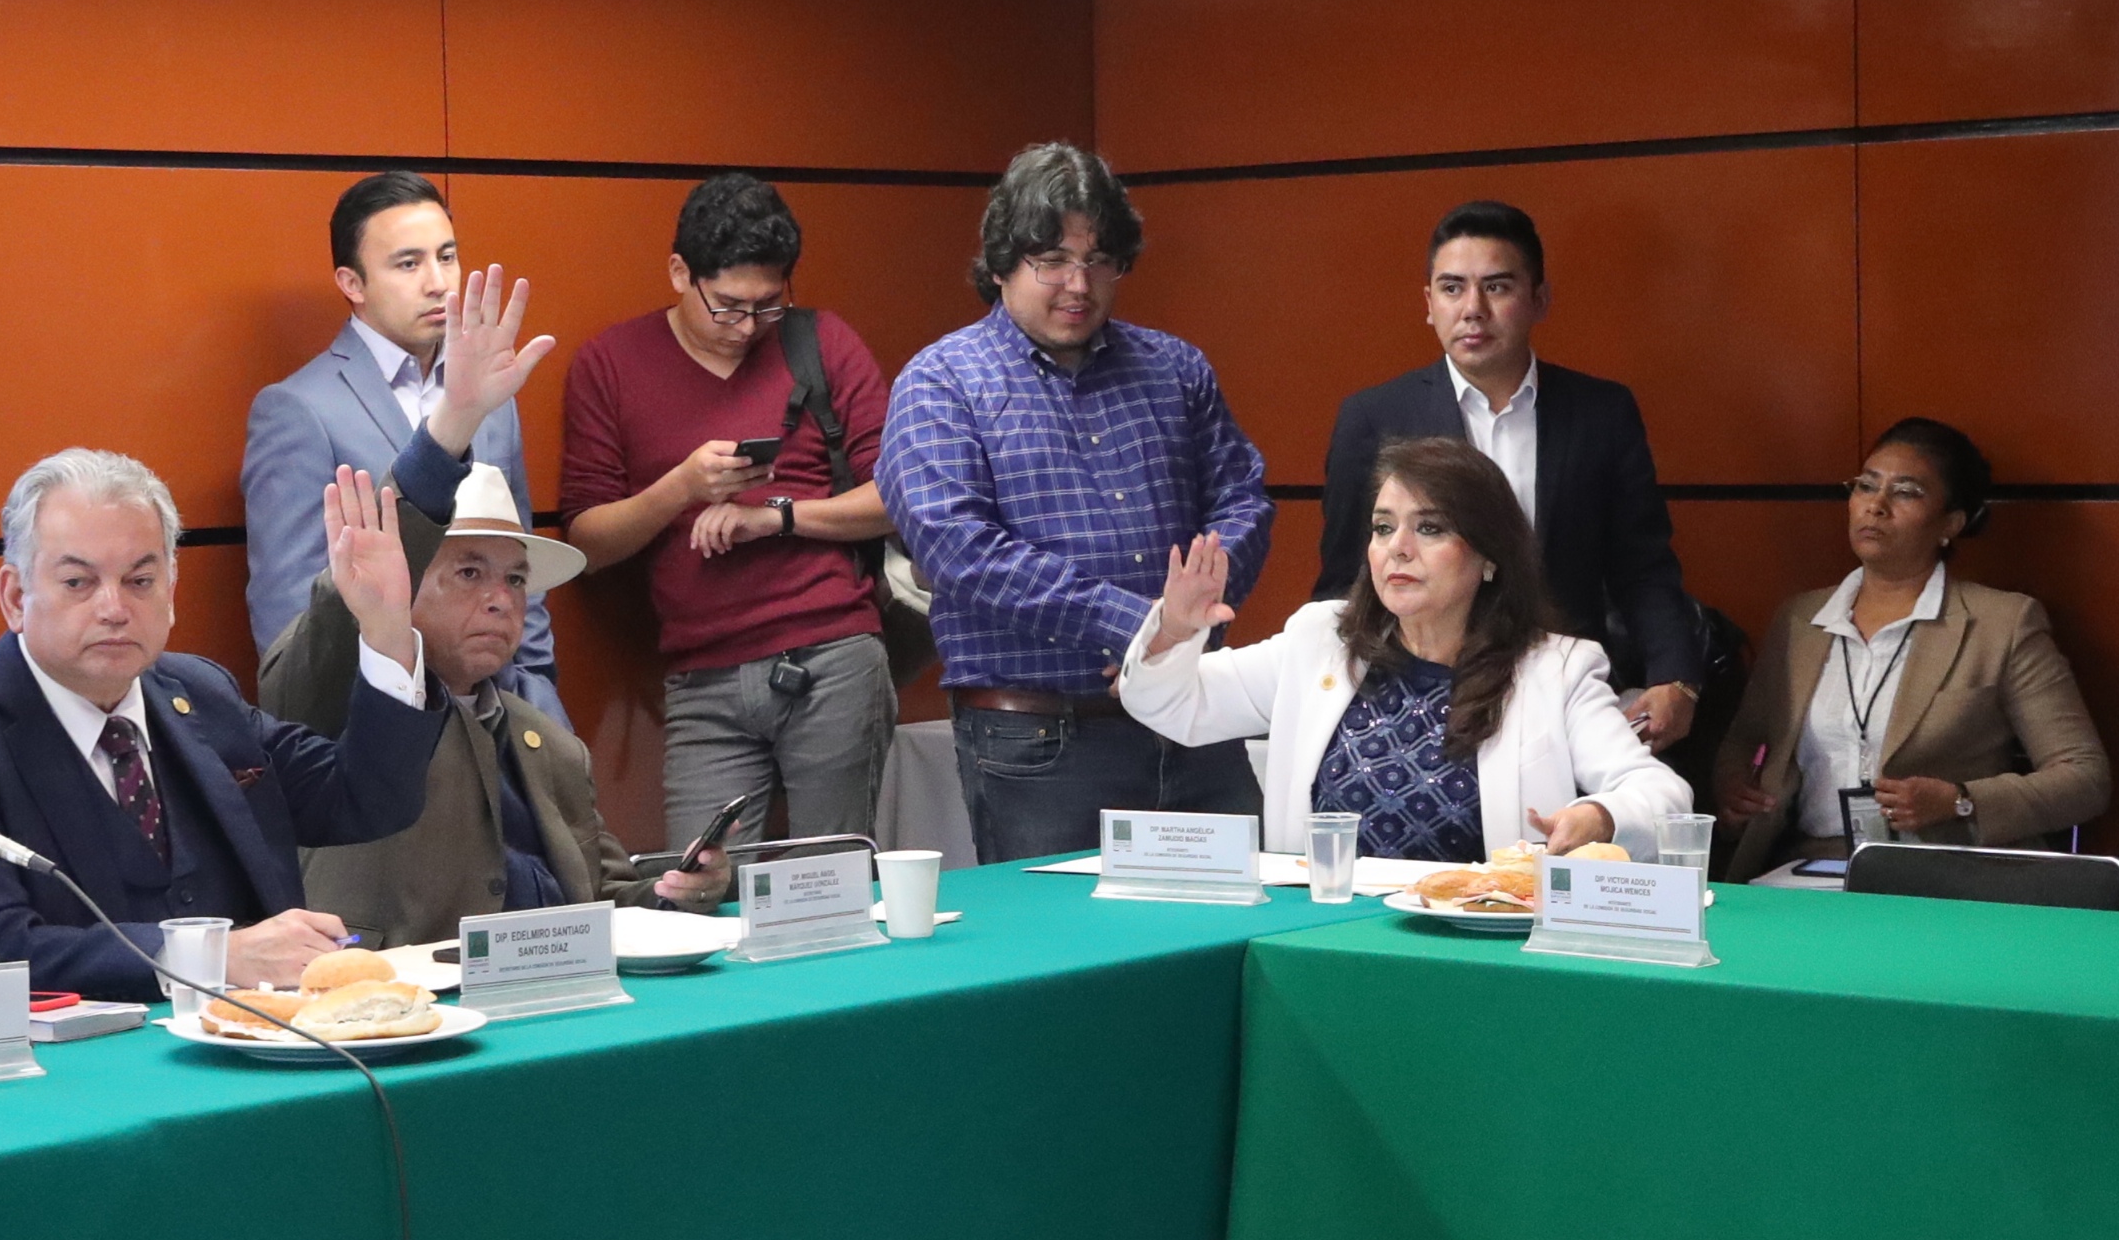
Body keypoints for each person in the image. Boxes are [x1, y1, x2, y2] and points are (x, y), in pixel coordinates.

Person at [0, 451, 434, 1001]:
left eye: (140, 580)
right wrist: (211, 957)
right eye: (78, 582)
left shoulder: (200, 693)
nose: (114, 608)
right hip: (81, 1051)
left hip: (256, 1035)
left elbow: (367, 800)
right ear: (15, 597)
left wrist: (385, 627)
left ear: (170, 592)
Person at [879, 142, 1273, 862]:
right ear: (1002, 262)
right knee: (1057, 930)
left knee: (1236, 920)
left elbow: (1243, 500)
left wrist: (1175, 637)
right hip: (1040, 741)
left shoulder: (1175, 367)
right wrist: (1143, 631)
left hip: (1192, 719)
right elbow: (960, 550)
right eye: (1052, 260)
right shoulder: (941, 382)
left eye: (1099, 260)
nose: (1079, 284)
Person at [542, 172, 898, 848]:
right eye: (729, 306)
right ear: (681, 273)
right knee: (697, 881)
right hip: (701, 679)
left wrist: (776, 517)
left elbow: (897, 497)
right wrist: (682, 486)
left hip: (833, 653)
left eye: (768, 306)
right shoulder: (610, 363)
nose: (748, 327)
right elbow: (585, 545)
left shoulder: (821, 343)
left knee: (830, 877)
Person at [1119, 437, 1684, 858]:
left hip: (1474, 944)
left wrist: (1599, 815)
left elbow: (1662, 795)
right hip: (1320, 935)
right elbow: (1172, 706)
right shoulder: (1319, 640)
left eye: (1430, 528)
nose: (1399, 548)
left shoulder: (1556, 669)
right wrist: (1174, 629)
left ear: (1490, 556)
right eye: (1384, 528)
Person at [262, 465, 736, 947]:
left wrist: (678, 893)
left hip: (551, 979)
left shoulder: (551, 742)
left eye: (515, 579)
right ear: (398, 583)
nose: (501, 600)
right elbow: (329, 628)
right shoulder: (342, 705)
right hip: (389, 982)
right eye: (470, 573)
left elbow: (600, 897)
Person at [1319, 201, 1704, 755]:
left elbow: (1642, 565)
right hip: (1417, 701)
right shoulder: (1375, 418)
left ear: (1539, 299)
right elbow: (1345, 580)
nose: (1472, 309)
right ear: (1428, 304)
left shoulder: (1601, 413)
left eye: (1496, 287)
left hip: (1563, 692)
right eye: (1452, 288)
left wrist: (1677, 677)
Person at [1708, 418, 2111, 879]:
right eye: (1866, 486)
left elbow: (2084, 777)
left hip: (1947, 869)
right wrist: (1733, 786)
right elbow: (1746, 738)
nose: (1876, 506)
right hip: (1812, 867)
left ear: (1951, 524)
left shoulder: (2003, 624)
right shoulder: (1801, 619)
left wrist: (1960, 800)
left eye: (1905, 492)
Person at [242, 168, 562, 720]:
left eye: (447, 256)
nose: (438, 282)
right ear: (352, 283)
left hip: (497, 712)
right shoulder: (298, 410)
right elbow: (290, 629)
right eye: (408, 264)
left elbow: (521, 574)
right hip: (377, 718)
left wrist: (542, 711)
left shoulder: (492, 396)